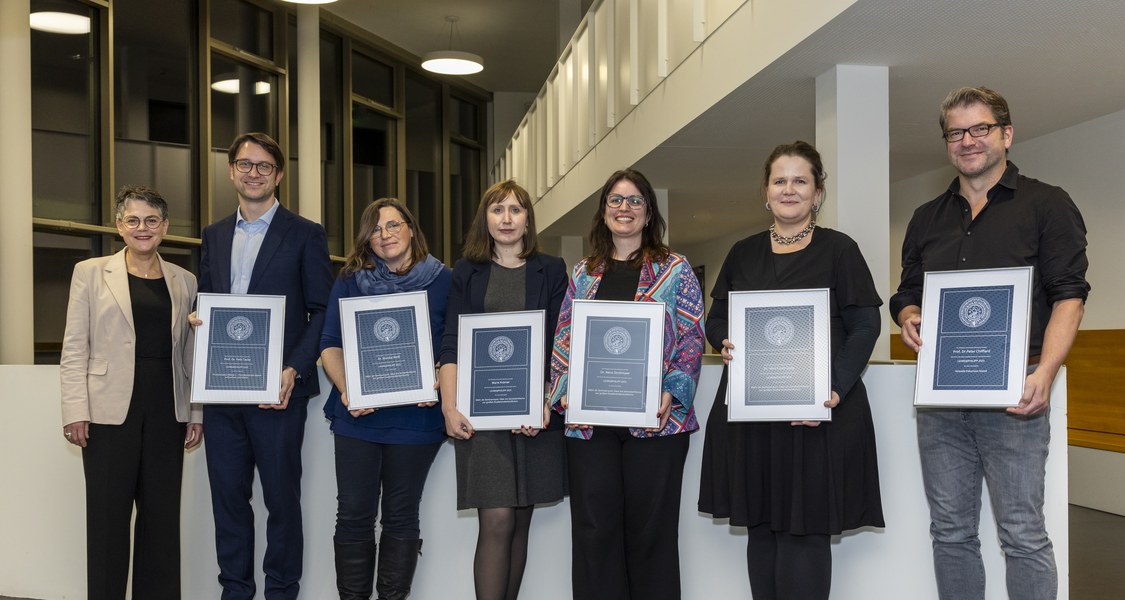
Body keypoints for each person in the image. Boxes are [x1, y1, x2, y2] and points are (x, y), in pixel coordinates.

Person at [890, 87, 1089, 600]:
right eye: (956, 132)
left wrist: (1045, 373)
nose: (968, 141)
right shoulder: (925, 218)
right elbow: (907, 292)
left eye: (980, 128)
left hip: (1016, 394)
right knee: (950, 533)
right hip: (940, 400)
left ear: (1006, 134)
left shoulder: (1048, 204)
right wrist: (909, 315)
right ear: (947, 143)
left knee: (1022, 534)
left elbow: (1069, 296)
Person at [697, 141, 885, 599]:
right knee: (761, 530)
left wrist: (834, 389)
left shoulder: (841, 250)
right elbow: (716, 318)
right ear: (766, 191)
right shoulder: (743, 253)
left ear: (818, 192)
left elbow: (865, 324)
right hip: (753, 419)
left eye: (800, 180)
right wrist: (723, 339)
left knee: (806, 534)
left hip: (816, 419)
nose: (789, 189)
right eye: (780, 180)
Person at [548, 169, 704, 600]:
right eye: (615, 200)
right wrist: (559, 394)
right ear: (602, 212)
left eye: (635, 201)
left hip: (657, 424)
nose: (624, 208)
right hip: (591, 425)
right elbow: (565, 336)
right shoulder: (583, 273)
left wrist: (672, 388)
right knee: (594, 533)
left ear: (649, 212)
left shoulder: (674, 270)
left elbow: (692, 338)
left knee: (650, 535)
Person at [195, 132, 333, 600]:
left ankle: (281, 592)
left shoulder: (306, 233)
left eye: (264, 166)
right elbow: (210, 302)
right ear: (231, 170)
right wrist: (200, 317)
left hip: (278, 392)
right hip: (222, 393)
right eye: (245, 164)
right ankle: (235, 591)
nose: (253, 173)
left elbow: (321, 311)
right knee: (228, 502)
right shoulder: (213, 234)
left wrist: (294, 367)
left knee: (280, 501)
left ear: (278, 175)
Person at [59, 186, 202, 599]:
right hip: (105, 411)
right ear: (119, 225)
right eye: (133, 220)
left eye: (152, 220)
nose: (143, 228)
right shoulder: (90, 272)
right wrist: (74, 409)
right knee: (107, 520)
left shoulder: (184, 279)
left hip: (166, 408)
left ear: (165, 227)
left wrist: (196, 412)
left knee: (161, 520)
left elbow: (191, 356)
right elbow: (74, 347)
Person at [439, 180, 569, 600]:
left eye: (516, 210)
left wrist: (545, 403)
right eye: (498, 210)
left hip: (535, 416)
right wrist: (449, 406)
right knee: (496, 522)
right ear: (486, 219)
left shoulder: (551, 268)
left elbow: (559, 342)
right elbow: (452, 341)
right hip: (483, 417)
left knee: (519, 525)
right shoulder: (466, 271)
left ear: (528, 219)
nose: (507, 218)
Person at [320, 197, 452, 600]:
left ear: (411, 229)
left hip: (416, 419)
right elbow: (329, 344)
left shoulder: (444, 279)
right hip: (359, 416)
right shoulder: (349, 279)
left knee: (400, 515)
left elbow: (454, 344)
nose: (385, 235)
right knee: (354, 514)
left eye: (393, 225)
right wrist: (348, 389)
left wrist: (435, 380)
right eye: (376, 229)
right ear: (367, 238)